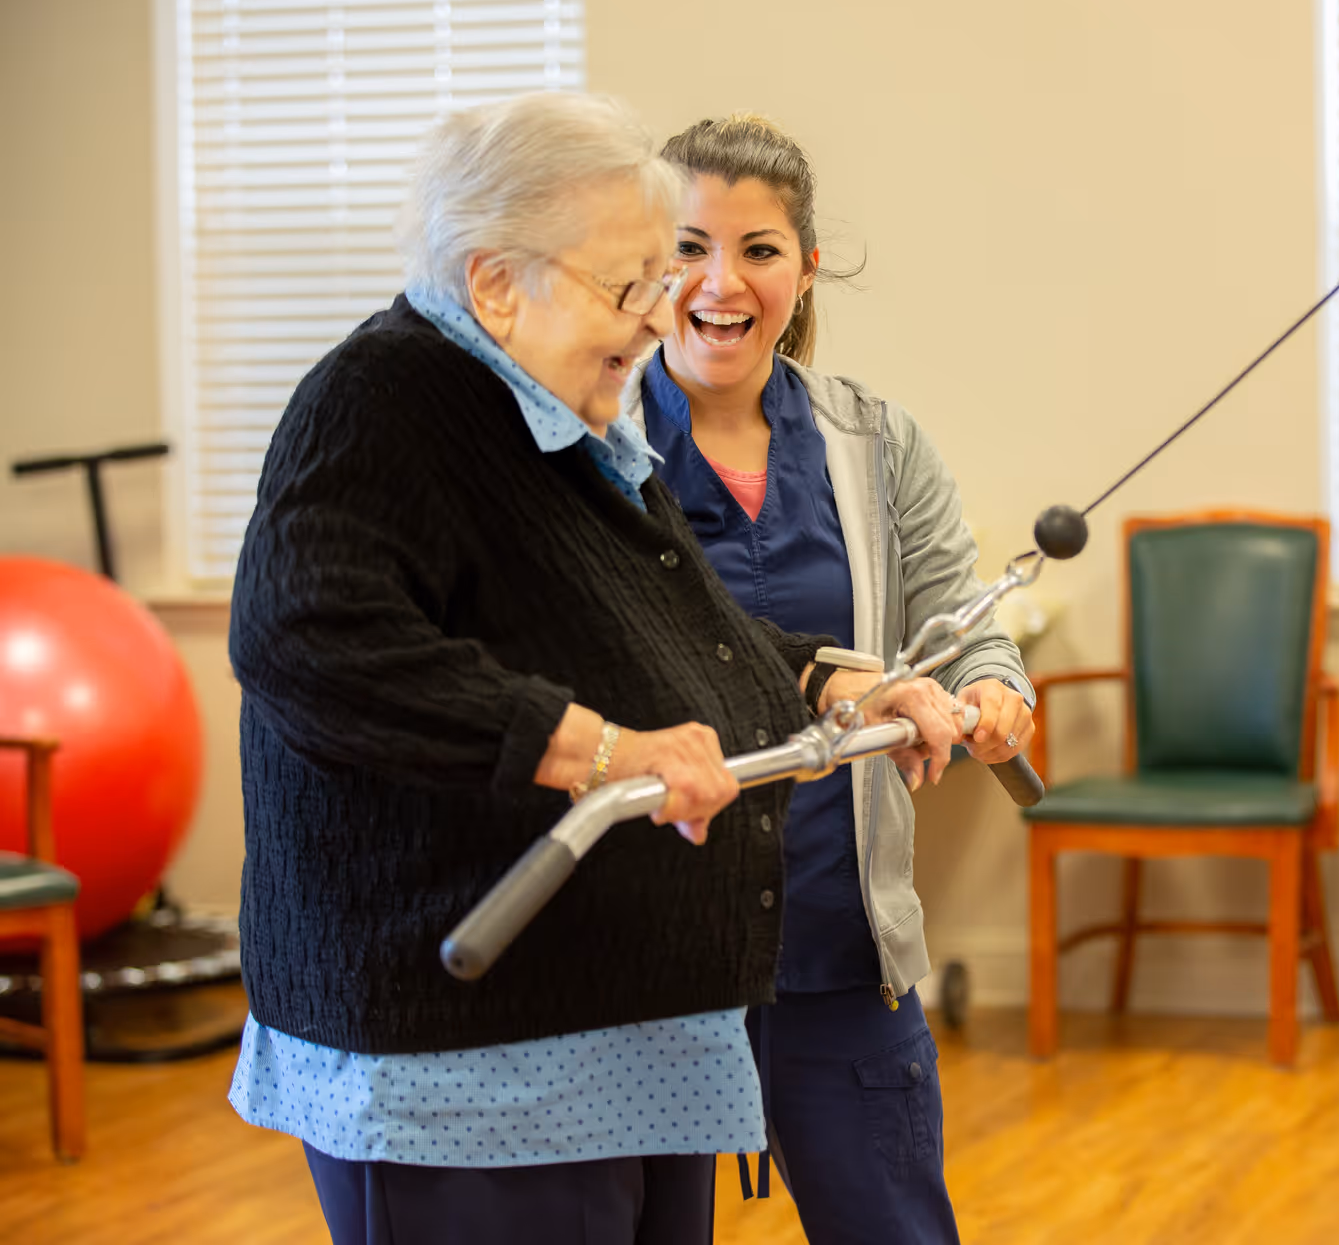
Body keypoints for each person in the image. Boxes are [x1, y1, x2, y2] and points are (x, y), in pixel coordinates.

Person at [223, 92, 965, 1245]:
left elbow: (676, 623)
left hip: (622, 1029)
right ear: (497, 282)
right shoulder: (385, 403)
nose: (659, 314)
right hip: (472, 1064)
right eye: (629, 286)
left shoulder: (567, 414)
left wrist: (831, 680)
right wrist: (601, 749)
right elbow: (311, 643)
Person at [635, 113, 1034, 1245]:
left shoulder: (877, 440)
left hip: (838, 940)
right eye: (688, 246)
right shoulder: (596, 442)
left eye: (759, 249)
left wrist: (997, 690)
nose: (722, 282)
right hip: (653, 955)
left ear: (806, 267)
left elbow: (959, 627)